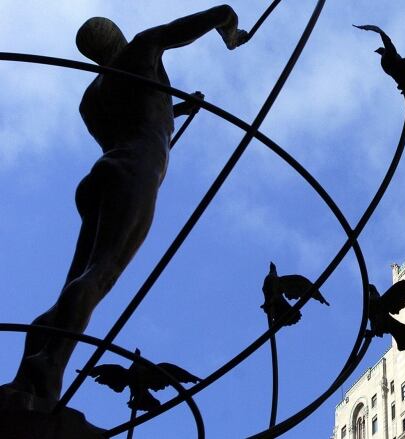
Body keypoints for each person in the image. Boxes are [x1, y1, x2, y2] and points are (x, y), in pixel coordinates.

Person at [8, 5, 248, 402]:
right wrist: (230, 33)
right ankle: (48, 364)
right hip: (136, 170)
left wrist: (179, 108)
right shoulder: (143, 47)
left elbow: (136, 120)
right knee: (99, 277)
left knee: (75, 281)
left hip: (102, 174)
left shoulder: (92, 99)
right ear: (116, 35)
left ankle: (25, 377)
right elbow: (220, 12)